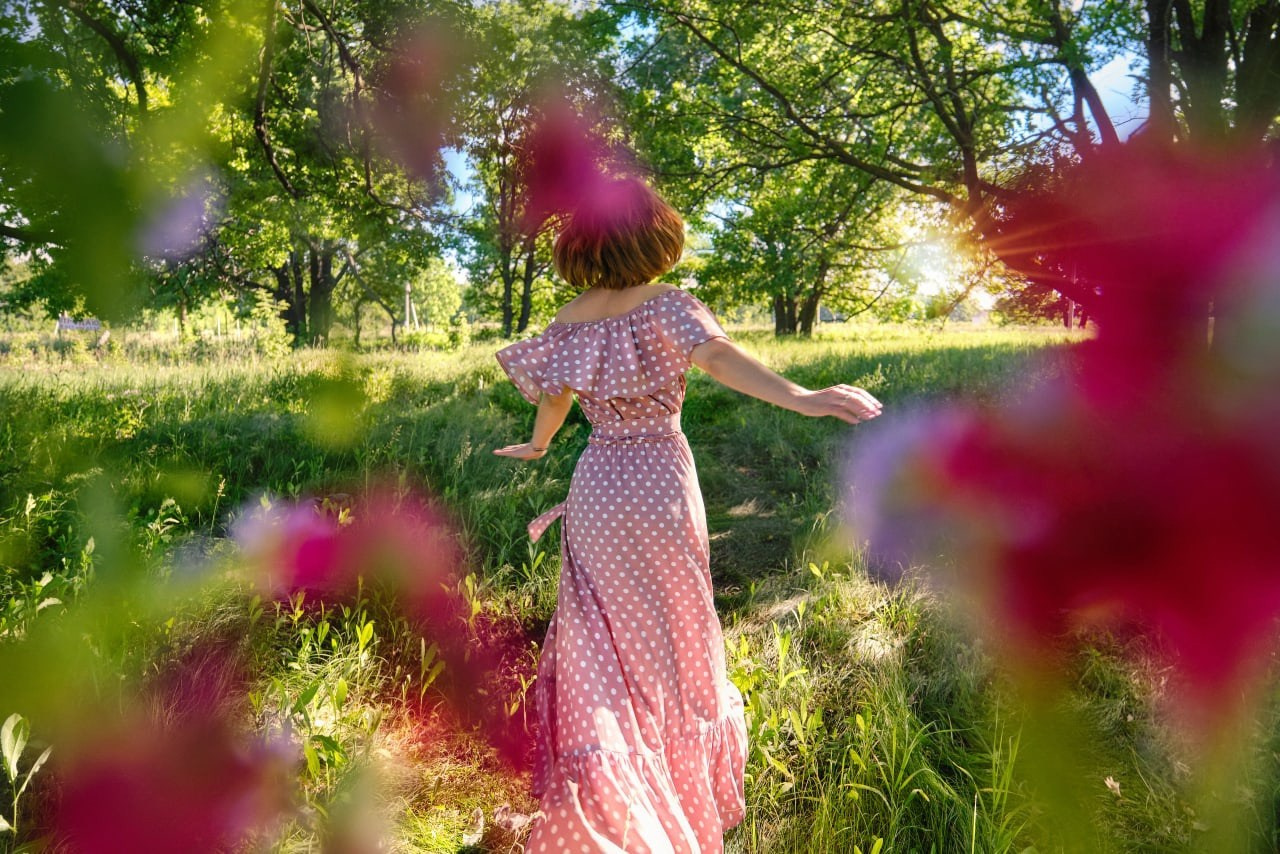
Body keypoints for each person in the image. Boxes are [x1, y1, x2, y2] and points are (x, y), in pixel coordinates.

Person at [493, 177, 882, 853]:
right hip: (659, 487)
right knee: (672, 632)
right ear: (656, 235)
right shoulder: (670, 307)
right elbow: (723, 361)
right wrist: (805, 396)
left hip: (598, 489)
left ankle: (607, 796)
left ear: (579, 242)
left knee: (598, 635)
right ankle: (673, 784)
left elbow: (554, 400)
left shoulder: (571, 318)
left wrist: (540, 443)